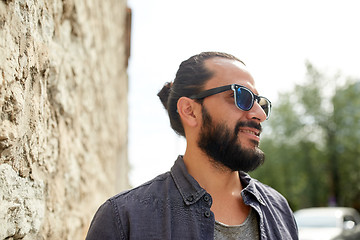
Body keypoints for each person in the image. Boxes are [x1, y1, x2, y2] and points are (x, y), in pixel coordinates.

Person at [86, 52, 299, 239]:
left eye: (260, 103)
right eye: (240, 96)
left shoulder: (278, 210)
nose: (260, 114)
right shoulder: (123, 219)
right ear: (189, 110)